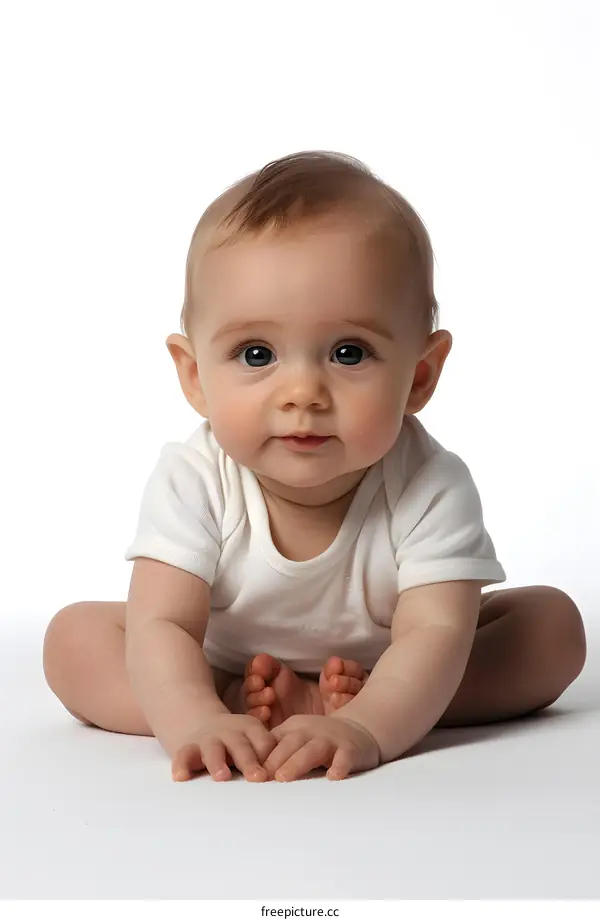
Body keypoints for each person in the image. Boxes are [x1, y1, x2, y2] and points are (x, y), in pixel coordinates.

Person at [43, 151, 587, 784]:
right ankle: (233, 705)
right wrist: (194, 716)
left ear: (419, 377)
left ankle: (378, 706)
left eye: (348, 353)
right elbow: (164, 622)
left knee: (551, 629)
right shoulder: (195, 479)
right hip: (221, 664)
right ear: (194, 376)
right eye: (256, 354)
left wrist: (369, 723)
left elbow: (435, 631)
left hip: (392, 668)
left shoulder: (430, 485)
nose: (302, 392)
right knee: (72, 641)